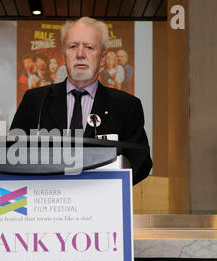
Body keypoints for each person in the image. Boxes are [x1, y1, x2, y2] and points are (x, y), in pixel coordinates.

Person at [10, 17, 152, 184]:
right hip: (46, 201)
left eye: (89, 47)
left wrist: (111, 186)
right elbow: (12, 154)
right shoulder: (36, 101)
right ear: (64, 55)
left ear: (103, 58)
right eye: (73, 46)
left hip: (101, 203)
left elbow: (141, 162)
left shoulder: (126, 106)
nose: (80, 54)